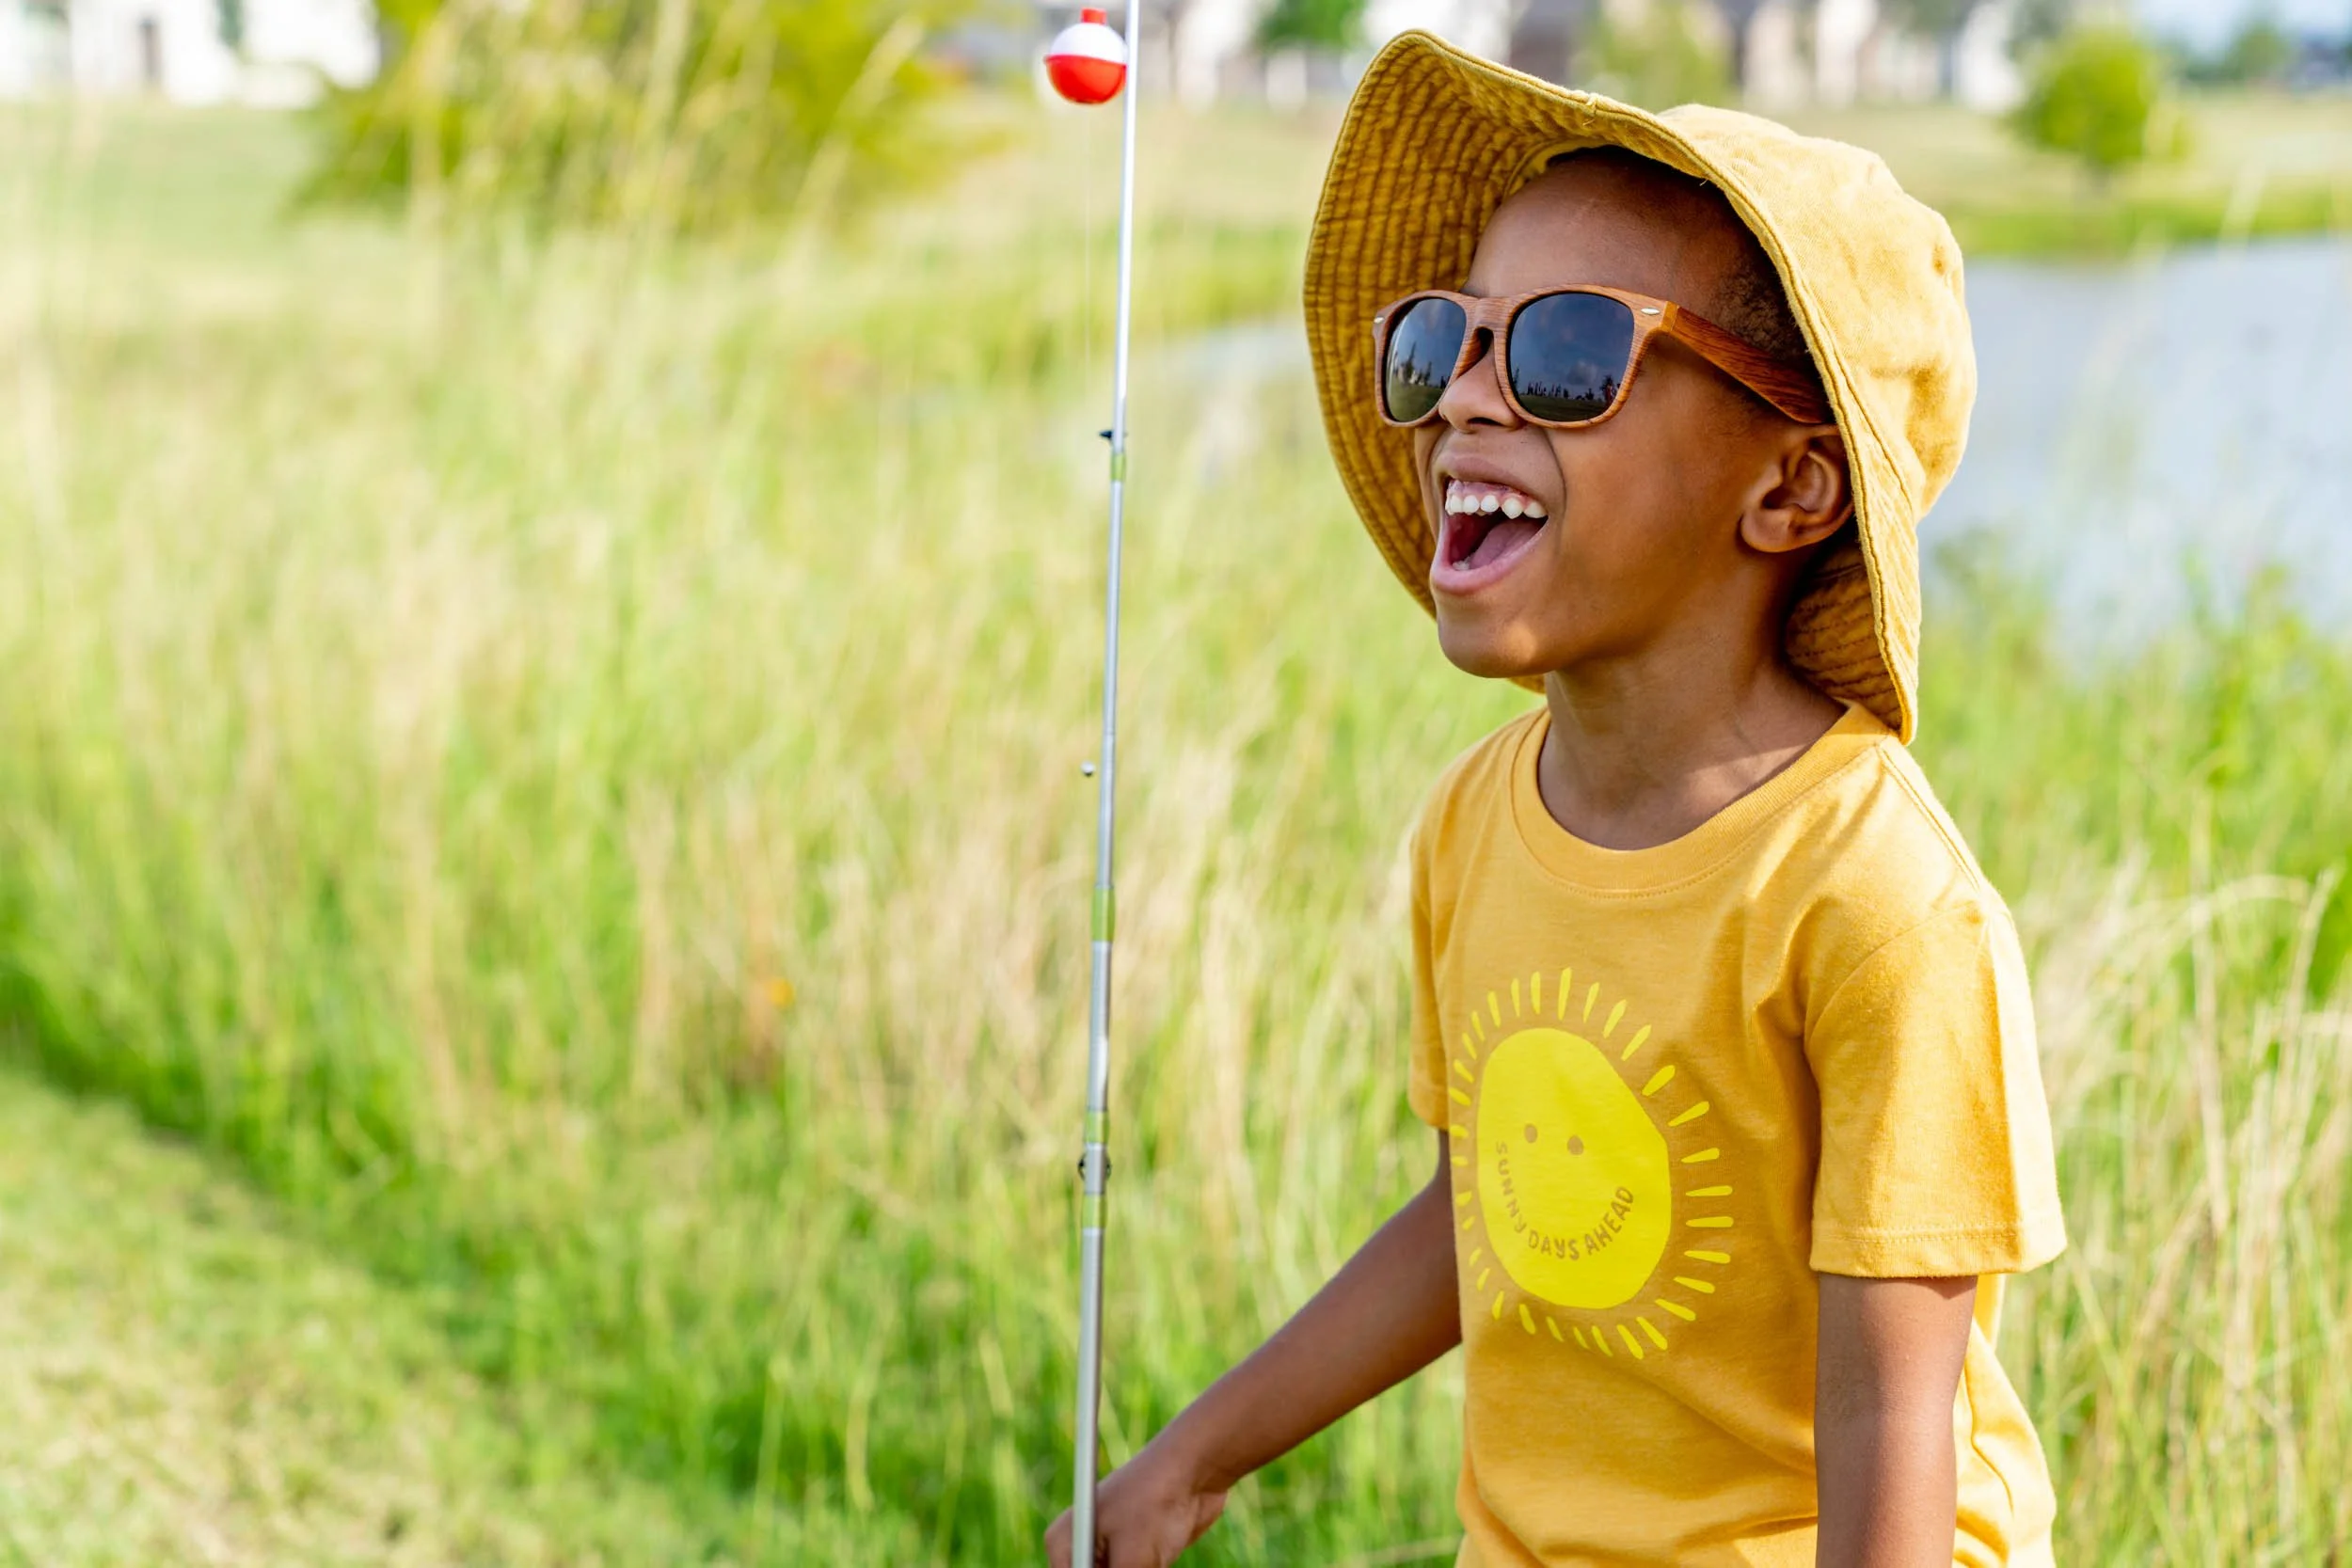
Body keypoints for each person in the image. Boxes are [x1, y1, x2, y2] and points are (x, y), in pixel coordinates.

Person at [1048, 32, 2065, 1568]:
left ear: (1788, 488)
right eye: (1450, 340)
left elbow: (1889, 1417)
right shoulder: (1478, 820)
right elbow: (1490, 1207)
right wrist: (1192, 1461)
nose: (1465, 401)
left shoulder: (1876, 910)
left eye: (1568, 353)